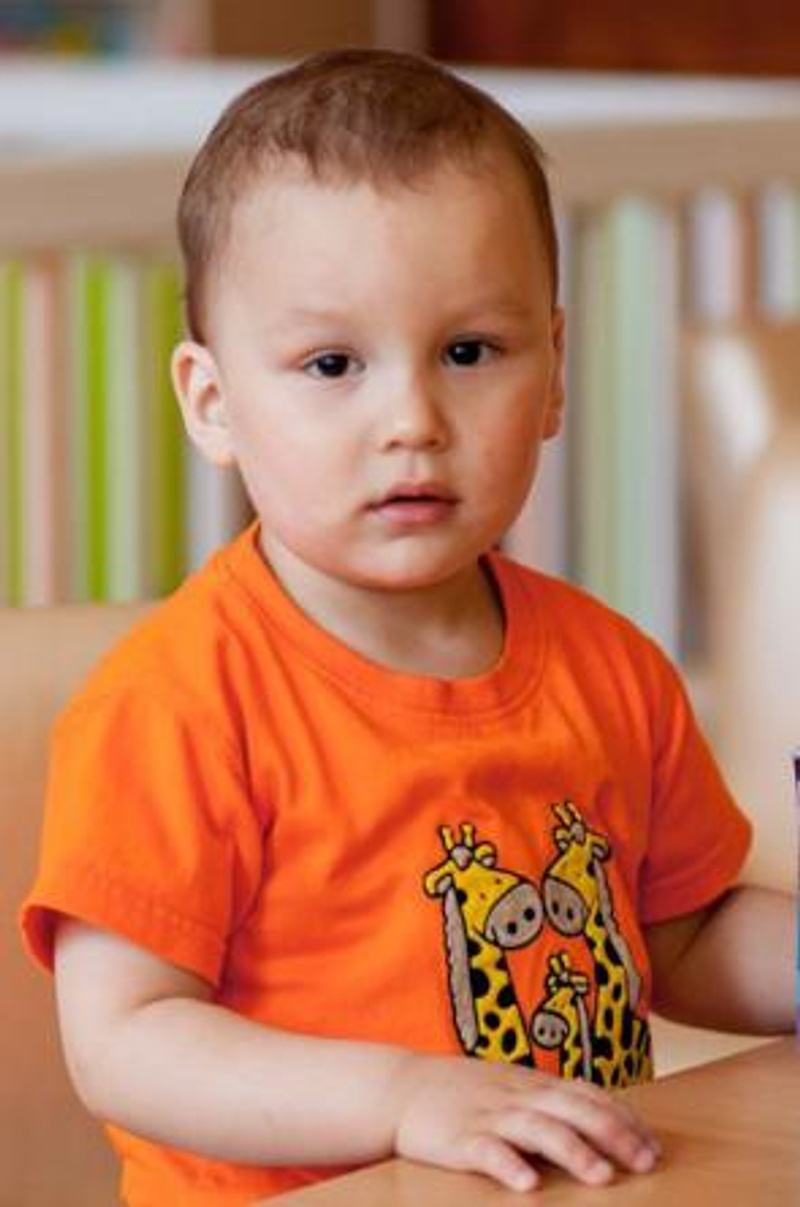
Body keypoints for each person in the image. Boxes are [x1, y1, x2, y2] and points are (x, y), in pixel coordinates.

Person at [21, 48, 794, 1207]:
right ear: (213, 403)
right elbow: (125, 1040)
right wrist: (404, 1097)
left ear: (552, 372)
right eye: (332, 363)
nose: (411, 420)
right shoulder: (176, 704)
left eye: (467, 352)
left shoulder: (610, 666)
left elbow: (679, 937)